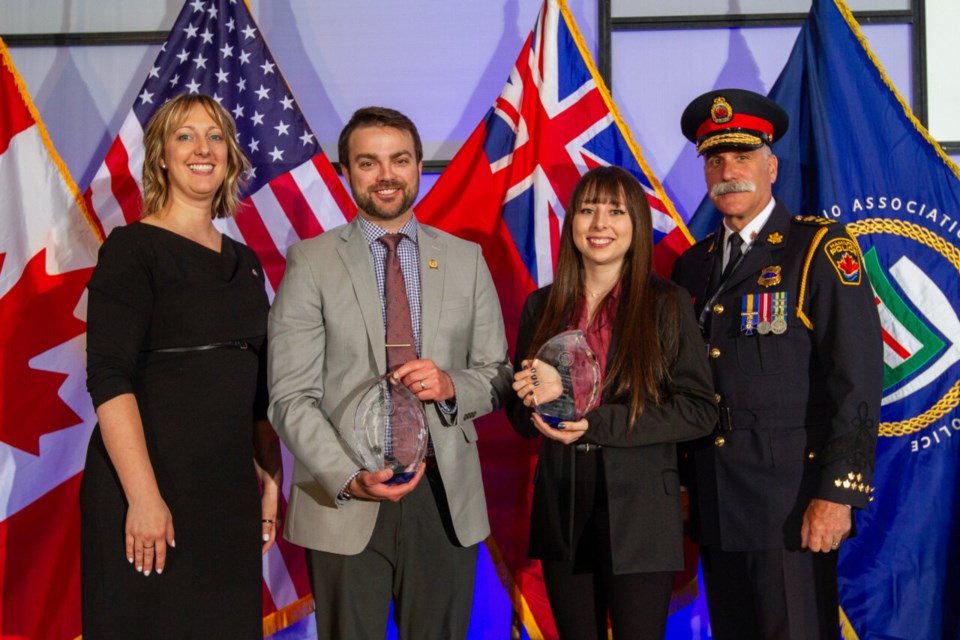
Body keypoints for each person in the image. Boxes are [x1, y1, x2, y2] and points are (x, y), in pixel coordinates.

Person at [267, 106, 513, 639]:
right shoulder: (309, 262)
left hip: (443, 495)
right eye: (368, 162)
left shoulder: (467, 259)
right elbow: (290, 396)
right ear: (347, 173)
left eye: (399, 160)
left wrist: (452, 386)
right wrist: (350, 476)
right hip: (345, 494)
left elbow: (497, 373)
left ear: (419, 166)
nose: (386, 175)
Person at [671, 88, 883, 639]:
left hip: (793, 504)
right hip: (719, 502)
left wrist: (839, 493)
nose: (728, 171)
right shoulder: (693, 267)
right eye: (715, 159)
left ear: (771, 165)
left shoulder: (819, 250)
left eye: (742, 156)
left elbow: (857, 381)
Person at [81, 93, 281, 639]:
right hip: (148, 486)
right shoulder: (131, 249)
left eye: (215, 137)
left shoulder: (245, 262)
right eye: (185, 136)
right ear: (162, 157)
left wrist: (270, 478)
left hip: (227, 496)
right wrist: (144, 497)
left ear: (231, 157)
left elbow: (259, 386)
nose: (203, 149)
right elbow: (109, 377)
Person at [507, 166, 718, 640]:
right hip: (563, 506)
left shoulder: (667, 303)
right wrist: (525, 400)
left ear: (636, 225)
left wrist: (600, 424)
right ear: (572, 224)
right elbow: (521, 420)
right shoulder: (541, 306)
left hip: (641, 512)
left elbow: (699, 410)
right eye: (587, 210)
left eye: (615, 212)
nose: (600, 223)